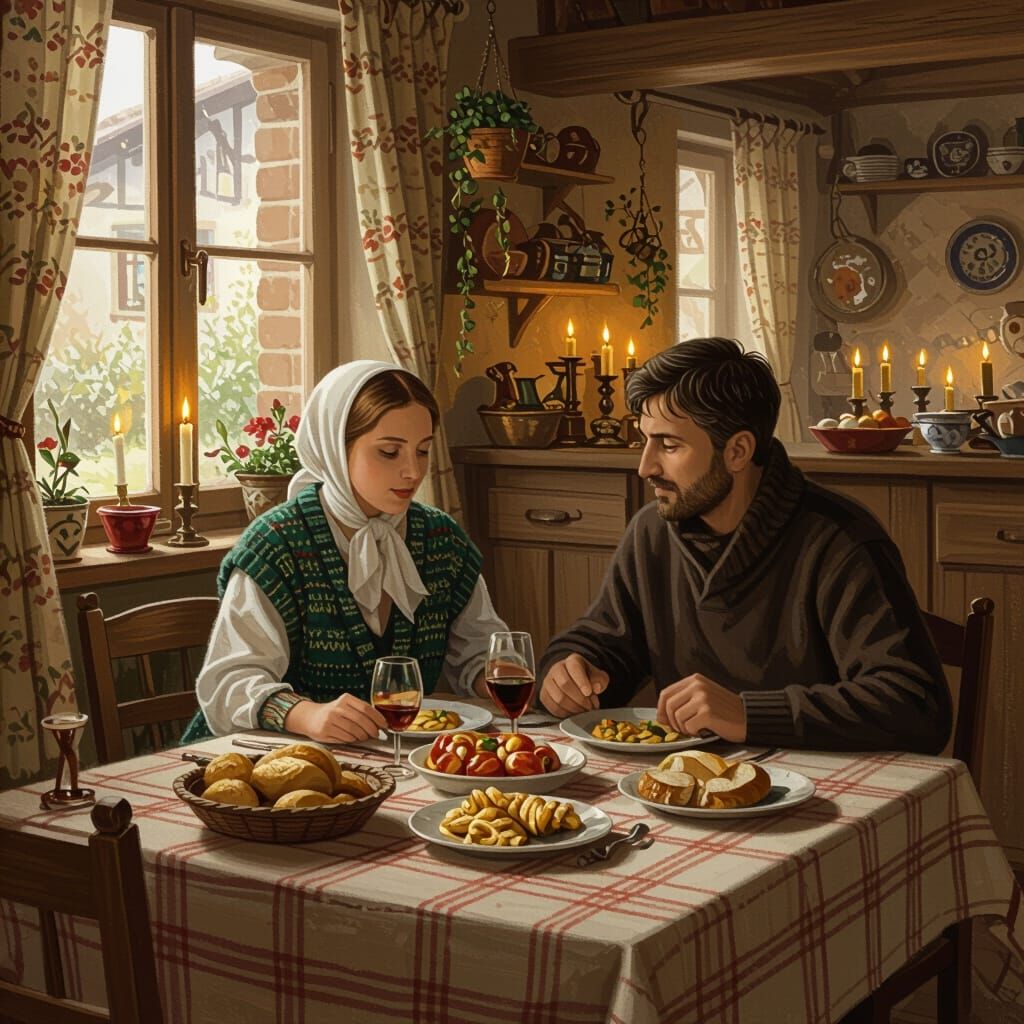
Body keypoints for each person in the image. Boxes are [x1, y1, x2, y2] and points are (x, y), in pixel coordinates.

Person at [538, 338, 952, 754]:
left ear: (737, 451)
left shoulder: (839, 539)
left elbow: (916, 706)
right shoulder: (651, 531)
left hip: (823, 794)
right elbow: (606, 643)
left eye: (669, 444)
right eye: (644, 440)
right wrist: (569, 669)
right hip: (686, 786)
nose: (646, 466)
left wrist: (749, 714)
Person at [182, 360, 507, 744]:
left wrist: (495, 675)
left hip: (386, 758)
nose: (412, 472)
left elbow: (478, 651)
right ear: (335, 448)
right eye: (389, 452)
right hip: (261, 767)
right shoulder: (277, 545)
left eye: (422, 451)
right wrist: (304, 714)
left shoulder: (441, 540)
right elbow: (228, 686)